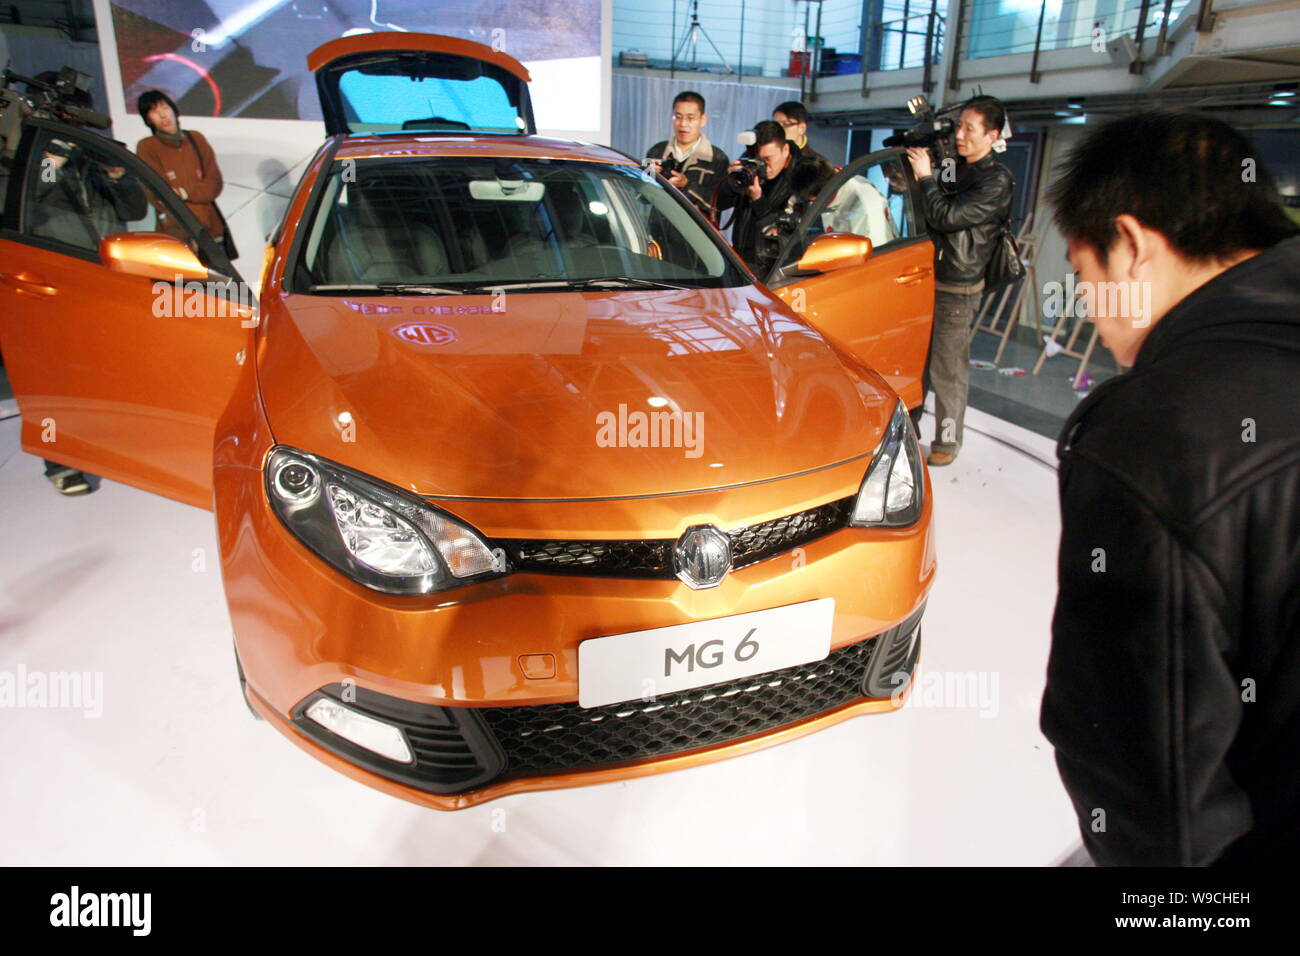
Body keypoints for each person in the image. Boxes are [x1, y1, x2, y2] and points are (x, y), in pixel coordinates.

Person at [1041, 111, 1300, 866]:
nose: (1087, 307)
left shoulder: (1154, 435)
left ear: (1130, 245)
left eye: (1083, 275)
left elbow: (1152, 796)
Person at [27, 74, 147, 496]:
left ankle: (112, 443)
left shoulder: (93, 159)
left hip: (108, 279)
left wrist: (118, 173)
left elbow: (134, 208)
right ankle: (60, 461)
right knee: (55, 375)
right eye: (67, 114)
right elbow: (28, 205)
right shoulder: (28, 156)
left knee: (111, 366)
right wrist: (51, 159)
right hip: (54, 281)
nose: (76, 124)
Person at [905, 95, 1014, 466]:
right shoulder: (955, 165)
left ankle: (948, 442)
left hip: (958, 283)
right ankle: (909, 431)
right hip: (925, 276)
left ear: (992, 134)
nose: (961, 135)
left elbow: (947, 215)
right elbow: (937, 199)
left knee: (948, 369)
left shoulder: (996, 180)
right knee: (916, 362)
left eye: (970, 129)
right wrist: (930, 168)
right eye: (960, 126)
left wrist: (924, 176)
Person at [717, 119, 834, 276]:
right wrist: (731, 183)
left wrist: (757, 200)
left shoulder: (803, 176)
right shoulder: (749, 164)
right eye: (759, 160)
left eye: (768, 159)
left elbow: (789, 229)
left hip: (775, 269)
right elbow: (718, 204)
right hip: (741, 261)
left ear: (785, 149)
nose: (763, 166)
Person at [134, 90, 226, 247]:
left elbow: (214, 183)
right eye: (154, 112)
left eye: (164, 108)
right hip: (177, 238)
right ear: (147, 119)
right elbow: (159, 193)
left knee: (214, 272)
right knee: (180, 274)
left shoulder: (196, 138)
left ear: (173, 109)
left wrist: (184, 192)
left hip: (211, 233)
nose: (163, 115)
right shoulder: (147, 146)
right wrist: (192, 192)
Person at [645, 91, 729, 221]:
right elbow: (642, 199)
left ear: (703, 120)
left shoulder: (717, 158)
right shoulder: (656, 151)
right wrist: (649, 177)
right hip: (658, 233)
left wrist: (687, 185)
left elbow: (720, 204)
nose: (683, 124)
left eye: (690, 118)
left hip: (696, 236)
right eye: (678, 117)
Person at [773, 100, 831, 170]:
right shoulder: (768, 155)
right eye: (775, 125)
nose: (778, 130)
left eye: (786, 124)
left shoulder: (816, 163)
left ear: (802, 128)